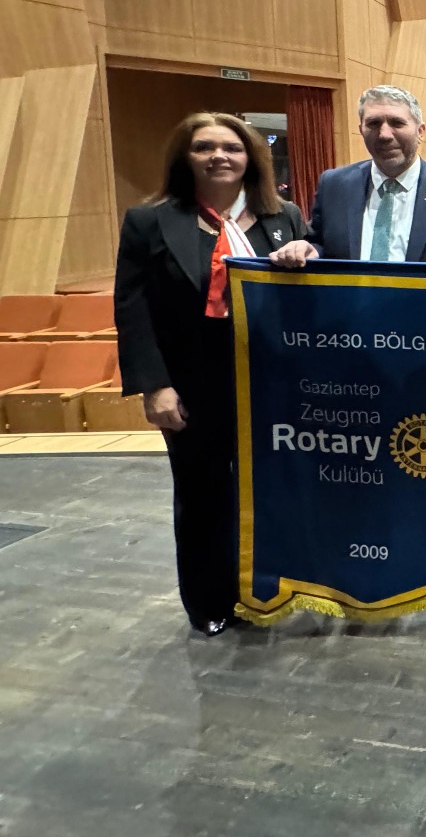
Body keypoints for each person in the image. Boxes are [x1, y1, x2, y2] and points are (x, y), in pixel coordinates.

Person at [114, 113, 308, 636]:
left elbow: (308, 296)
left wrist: (306, 253)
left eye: (232, 147)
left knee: (271, 490)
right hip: (192, 386)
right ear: (186, 156)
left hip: (272, 385)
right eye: (204, 147)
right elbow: (133, 310)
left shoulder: (283, 218)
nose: (219, 156)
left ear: (250, 158)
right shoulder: (149, 221)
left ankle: (266, 587)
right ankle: (210, 600)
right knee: (202, 494)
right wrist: (155, 386)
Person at [269, 85, 426, 267]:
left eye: (397, 123)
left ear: (420, 131)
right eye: (373, 123)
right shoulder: (334, 185)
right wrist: (308, 249)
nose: (384, 135)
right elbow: (320, 244)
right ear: (361, 129)